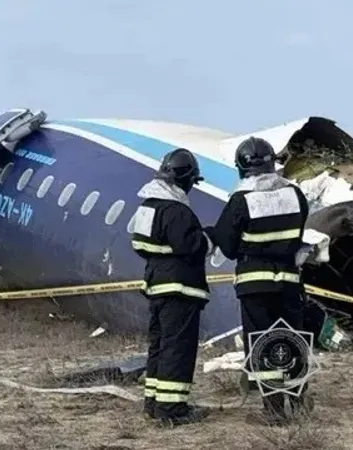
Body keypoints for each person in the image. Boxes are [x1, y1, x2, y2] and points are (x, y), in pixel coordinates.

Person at [208, 136, 311, 425]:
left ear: (242, 167)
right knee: (292, 338)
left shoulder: (241, 200)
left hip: (255, 285)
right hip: (289, 281)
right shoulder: (295, 195)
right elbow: (299, 233)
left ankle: (274, 410)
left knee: (263, 343)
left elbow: (228, 246)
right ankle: (299, 402)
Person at [131, 148, 214, 426]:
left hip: (156, 285)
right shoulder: (177, 211)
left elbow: (139, 245)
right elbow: (191, 246)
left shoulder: (147, 207)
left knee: (159, 345)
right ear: (186, 179)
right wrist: (209, 238)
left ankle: (153, 403)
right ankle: (172, 410)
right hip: (179, 289)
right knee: (178, 347)